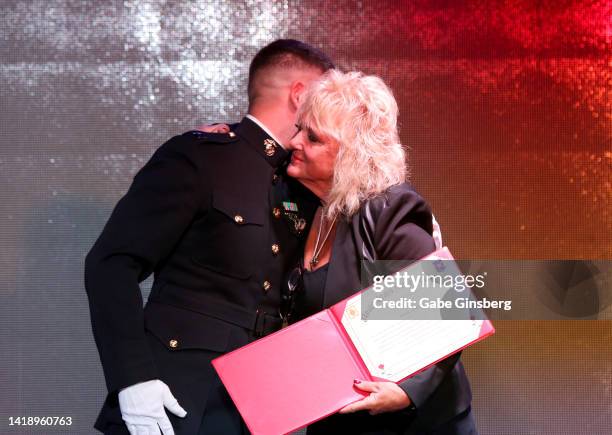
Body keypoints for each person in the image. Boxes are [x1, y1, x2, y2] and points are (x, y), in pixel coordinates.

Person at [84, 39, 333, 435]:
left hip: (255, 408)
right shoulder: (201, 158)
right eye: (327, 95)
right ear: (300, 94)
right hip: (173, 401)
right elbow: (111, 263)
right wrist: (132, 380)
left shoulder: (306, 184)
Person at [284, 70, 477, 434]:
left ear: (351, 154)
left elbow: (448, 314)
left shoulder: (390, 209)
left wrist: (405, 391)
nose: (294, 141)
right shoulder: (305, 205)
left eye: (312, 137)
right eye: (298, 128)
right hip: (338, 417)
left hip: (413, 423)